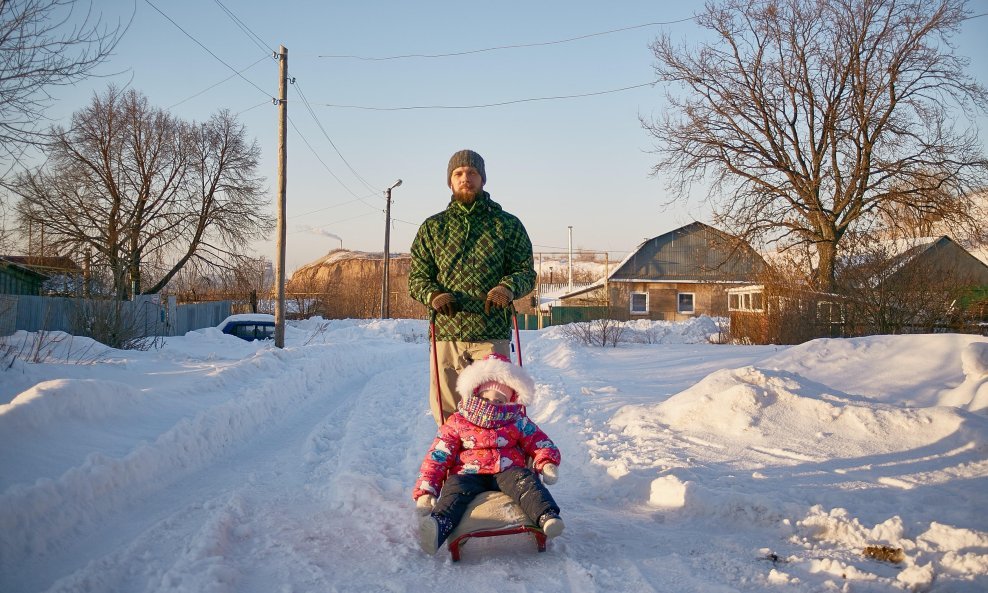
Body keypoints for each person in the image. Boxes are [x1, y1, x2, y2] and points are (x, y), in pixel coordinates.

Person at [408, 149, 537, 425]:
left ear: (483, 178)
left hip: (491, 332)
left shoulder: (507, 225)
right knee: (448, 414)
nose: (465, 177)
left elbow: (526, 272)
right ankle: (449, 465)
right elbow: (417, 278)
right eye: (458, 173)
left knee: (495, 409)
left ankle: (496, 465)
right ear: (450, 182)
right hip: (447, 333)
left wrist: (508, 287)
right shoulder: (432, 228)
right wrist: (433, 295)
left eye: (472, 172)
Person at [412, 353, 564, 555]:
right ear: (475, 394)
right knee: (454, 491)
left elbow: (539, 441)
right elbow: (438, 456)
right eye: (486, 398)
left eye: (499, 400)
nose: (491, 404)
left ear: (510, 401)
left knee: (525, 482)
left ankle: (547, 516)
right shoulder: (459, 421)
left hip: (508, 471)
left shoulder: (516, 420)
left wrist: (546, 461)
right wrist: (427, 490)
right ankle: (438, 526)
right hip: (468, 474)